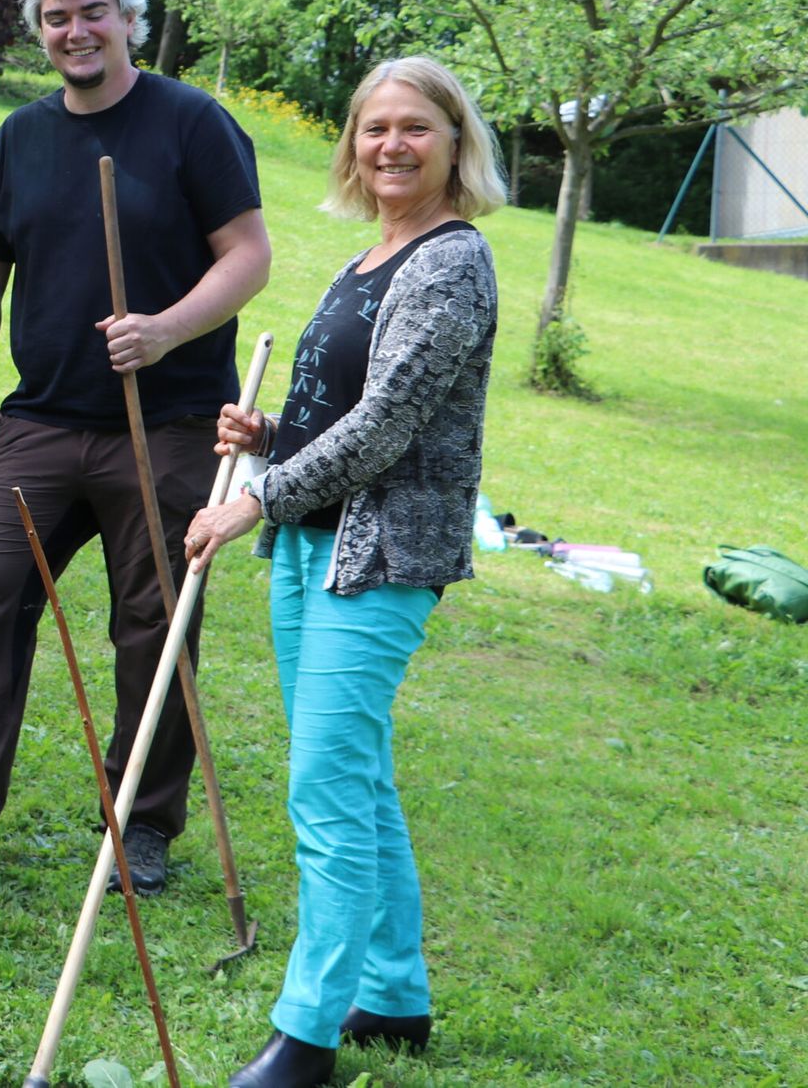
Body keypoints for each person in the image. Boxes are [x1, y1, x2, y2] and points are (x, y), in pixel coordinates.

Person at [0, 0, 270, 889]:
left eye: (94, 12)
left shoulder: (191, 123)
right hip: (39, 421)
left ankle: (141, 827)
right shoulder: (23, 136)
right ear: (40, 32)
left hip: (164, 424)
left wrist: (166, 330)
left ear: (127, 18)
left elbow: (247, 254)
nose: (76, 31)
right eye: (57, 18)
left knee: (154, 624)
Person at [185, 57, 503, 1087]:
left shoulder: (452, 263)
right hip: (309, 547)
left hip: (379, 558)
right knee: (352, 772)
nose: (390, 145)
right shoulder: (369, 256)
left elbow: (387, 424)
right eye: (373, 128)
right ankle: (394, 993)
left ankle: (306, 1031)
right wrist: (269, 434)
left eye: (414, 126)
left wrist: (251, 497)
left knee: (322, 785)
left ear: (454, 141)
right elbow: (335, 414)